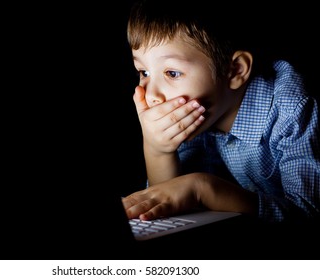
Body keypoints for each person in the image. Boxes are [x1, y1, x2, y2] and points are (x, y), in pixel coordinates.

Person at [121, 0, 319, 223]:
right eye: (144, 71)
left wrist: (204, 189)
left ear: (234, 71)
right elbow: (167, 205)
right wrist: (157, 150)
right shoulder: (195, 114)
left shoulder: (293, 110)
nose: (151, 95)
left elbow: (308, 214)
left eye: (172, 73)